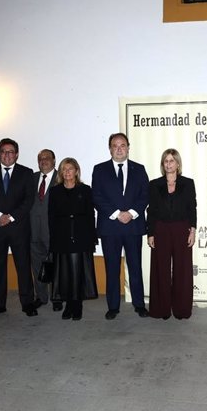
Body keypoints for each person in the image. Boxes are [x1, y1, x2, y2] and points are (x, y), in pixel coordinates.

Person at [92, 133, 150, 320]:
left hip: (133, 226)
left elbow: (145, 196)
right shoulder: (99, 170)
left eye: (122, 145)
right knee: (112, 268)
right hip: (110, 227)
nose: (119, 148)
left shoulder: (139, 169)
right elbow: (97, 197)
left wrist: (131, 213)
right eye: (115, 145)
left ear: (128, 147)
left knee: (135, 267)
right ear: (110, 148)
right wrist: (118, 214)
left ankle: (139, 304)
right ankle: (113, 306)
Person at [0, 138, 38, 317]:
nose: (7, 155)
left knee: (23, 266)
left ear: (17, 154)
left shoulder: (26, 173)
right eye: (3, 151)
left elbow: (29, 200)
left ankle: (27, 303)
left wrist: (10, 217)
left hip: (18, 228)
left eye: (10, 151)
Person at [147, 149, 197, 320]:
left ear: (177, 163)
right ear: (163, 164)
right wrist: (151, 233)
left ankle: (182, 310)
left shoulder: (188, 183)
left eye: (171, 161)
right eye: (165, 161)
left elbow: (192, 209)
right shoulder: (154, 184)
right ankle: (161, 310)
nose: (168, 164)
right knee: (160, 269)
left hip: (181, 228)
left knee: (182, 270)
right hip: (160, 229)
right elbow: (151, 211)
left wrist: (192, 230)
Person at [48, 158, 98, 320]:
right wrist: (53, 240)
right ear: (61, 172)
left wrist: (92, 239)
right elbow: (51, 217)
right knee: (65, 273)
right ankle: (68, 304)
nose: (67, 172)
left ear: (76, 171)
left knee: (77, 273)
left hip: (81, 236)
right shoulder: (55, 191)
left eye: (70, 169)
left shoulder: (85, 190)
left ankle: (77, 305)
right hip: (61, 238)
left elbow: (91, 216)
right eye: (64, 169)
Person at [30, 149, 62, 311]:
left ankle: (57, 297)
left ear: (54, 160)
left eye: (47, 158)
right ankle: (41, 297)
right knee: (37, 266)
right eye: (40, 159)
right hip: (33, 231)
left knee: (56, 266)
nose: (44, 161)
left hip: (53, 232)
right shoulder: (32, 178)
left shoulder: (61, 178)